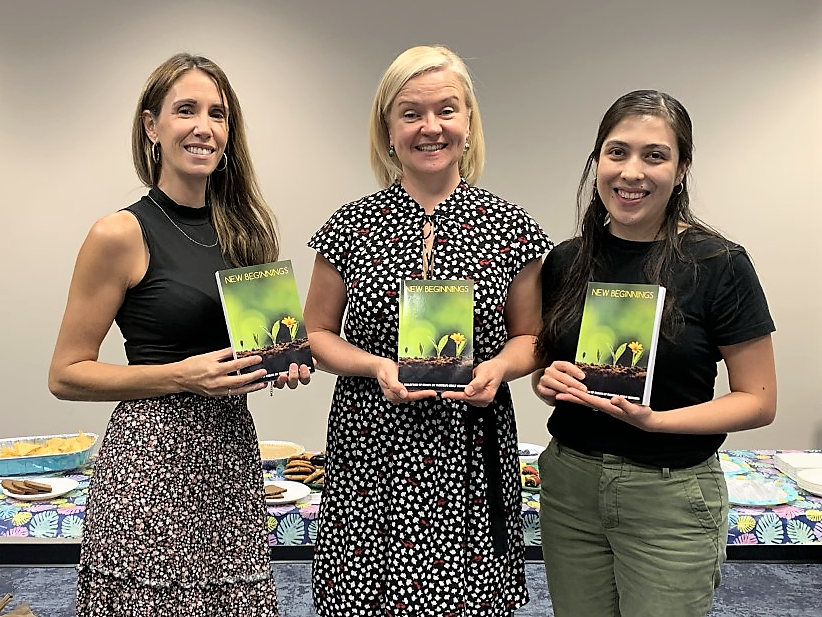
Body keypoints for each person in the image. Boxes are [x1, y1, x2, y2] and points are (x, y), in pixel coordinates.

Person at [48, 53, 311, 616]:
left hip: (232, 459)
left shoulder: (247, 231)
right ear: (152, 127)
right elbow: (66, 374)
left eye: (218, 114)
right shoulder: (119, 232)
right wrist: (181, 376)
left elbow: (258, 350)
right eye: (185, 110)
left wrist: (282, 364)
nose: (204, 127)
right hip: (148, 467)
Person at [303, 45, 553, 616]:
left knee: (473, 601)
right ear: (387, 128)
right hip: (371, 449)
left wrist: (499, 368)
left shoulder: (514, 228)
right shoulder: (347, 226)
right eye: (410, 113)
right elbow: (316, 334)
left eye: (447, 110)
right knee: (366, 600)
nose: (430, 127)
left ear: (469, 123)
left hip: (471, 447)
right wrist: (375, 365)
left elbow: (531, 338)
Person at [532, 89, 777, 617]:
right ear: (597, 160)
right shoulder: (566, 261)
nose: (632, 172)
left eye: (655, 155)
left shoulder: (719, 264)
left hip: (670, 497)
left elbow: (758, 400)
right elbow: (547, 374)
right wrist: (548, 382)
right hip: (570, 489)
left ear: (682, 168)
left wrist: (656, 422)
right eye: (617, 152)